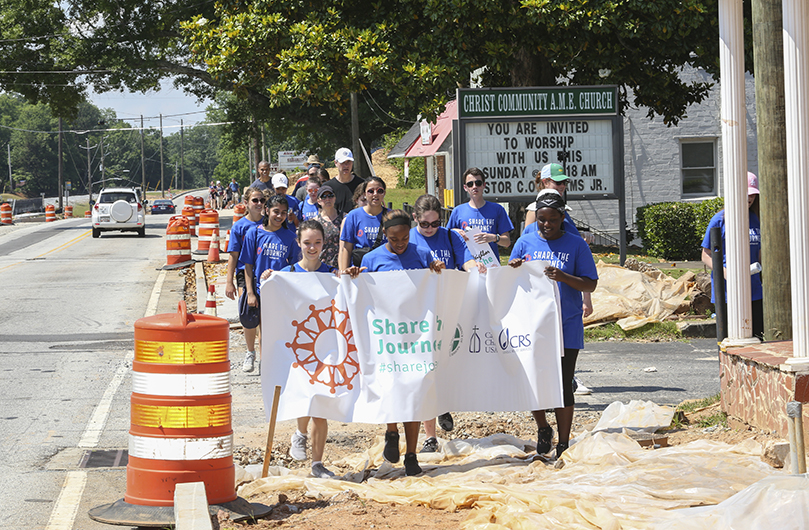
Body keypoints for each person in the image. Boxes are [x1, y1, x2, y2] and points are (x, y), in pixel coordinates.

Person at [348, 209, 445, 476]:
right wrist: (355, 276)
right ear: (385, 235)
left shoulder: (422, 254)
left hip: (415, 336)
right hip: (386, 335)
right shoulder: (372, 258)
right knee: (391, 387)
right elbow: (362, 293)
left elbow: (434, 285)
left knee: (414, 393)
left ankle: (412, 455)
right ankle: (392, 431)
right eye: (394, 239)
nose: (400, 243)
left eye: (404, 238)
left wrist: (436, 270)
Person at [509, 192, 598, 459]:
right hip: (533, 325)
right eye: (541, 220)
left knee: (562, 383)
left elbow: (590, 283)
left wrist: (564, 277)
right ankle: (543, 427)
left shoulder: (576, 245)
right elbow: (511, 279)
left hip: (566, 324)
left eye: (552, 220)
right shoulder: (525, 242)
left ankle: (563, 442)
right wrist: (514, 267)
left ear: (562, 218)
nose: (546, 225)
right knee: (533, 381)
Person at [259, 219, 337, 479]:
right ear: (298, 243)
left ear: (324, 243)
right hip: (298, 350)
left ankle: (317, 463)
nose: (312, 248)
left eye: (317, 243)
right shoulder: (286, 274)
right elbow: (274, 306)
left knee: (321, 404)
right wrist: (267, 280)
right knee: (305, 398)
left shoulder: (332, 275)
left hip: (325, 349)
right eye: (307, 243)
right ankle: (300, 433)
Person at [408, 194, 476, 453]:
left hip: (449, 308)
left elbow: (466, 261)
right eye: (425, 224)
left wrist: (475, 270)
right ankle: (430, 436)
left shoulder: (450, 236)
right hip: (420, 314)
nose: (430, 229)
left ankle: (443, 403)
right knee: (426, 370)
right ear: (416, 218)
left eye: (435, 224)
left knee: (445, 365)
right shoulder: (408, 238)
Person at [239, 195, 301, 372]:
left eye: (283, 212)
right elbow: (248, 265)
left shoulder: (290, 237)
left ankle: (265, 362)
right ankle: (250, 353)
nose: (279, 216)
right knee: (251, 323)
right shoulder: (254, 233)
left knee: (268, 330)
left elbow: (295, 267)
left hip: (279, 293)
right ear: (267, 210)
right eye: (276, 212)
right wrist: (250, 292)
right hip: (258, 290)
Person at [701, 171, 763, 338]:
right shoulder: (719, 220)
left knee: (757, 336)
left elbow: (759, 251)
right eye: (746, 194)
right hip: (728, 291)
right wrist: (724, 272)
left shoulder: (756, 218)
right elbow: (706, 254)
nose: (750, 199)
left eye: (753, 195)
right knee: (731, 337)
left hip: (754, 288)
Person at [225, 187, 266, 372]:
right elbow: (233, 256)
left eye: (262, 201)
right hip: (244, 274)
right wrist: (229, 282)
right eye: (255, 200)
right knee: (249, 315)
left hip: (265, 271)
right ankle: (250, 352)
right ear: (246, 203)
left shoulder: (269, 223)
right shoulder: (240, 227)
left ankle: (265, 357)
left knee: (266, 318)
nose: (259, 204)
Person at [447, 167, 514, 263]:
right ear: (465, 188)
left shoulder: (497, 210)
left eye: (478, 183)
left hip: (490, 268)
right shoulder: (458, 211)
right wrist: (455, 231)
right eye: (470, 184)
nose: (474, 186)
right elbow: (447, 238)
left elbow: (507, 242)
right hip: (467, 267)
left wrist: (494, 238)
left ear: (484, 185)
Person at [338, 177, 387, 270]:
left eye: (380, 191)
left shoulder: (391, 216)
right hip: (359, 271)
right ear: (364, 194)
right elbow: (346, 248)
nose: (375, 194)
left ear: (384, 193)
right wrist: (344, 272)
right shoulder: (353, 216)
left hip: (384, 269)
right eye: (371, 191)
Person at [313, 185, 343, 269]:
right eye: (323, 197)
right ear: (318, 201)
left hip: (341, 267)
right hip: (321, 267)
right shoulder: (315, 222)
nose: (327, 199)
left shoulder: (345, 218)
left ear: (334, 198)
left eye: (330, 196)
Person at [328, 148, 366, 214]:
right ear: (335, 163)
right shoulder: (328, 186)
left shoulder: (362, 184)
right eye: (342, 162)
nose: (346, 165)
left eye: (348, 162)